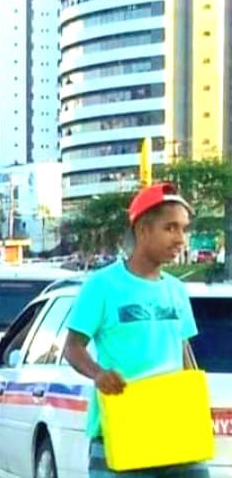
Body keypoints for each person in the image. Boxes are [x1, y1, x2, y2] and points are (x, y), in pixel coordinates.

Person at [63, 183, 208, 477]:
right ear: (142, 230)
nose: (181, 239)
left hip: (177, 435)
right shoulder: (102, 285)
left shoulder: (176, 290)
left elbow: (183, 352)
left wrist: (197, 403)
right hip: (122, 431)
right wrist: (99, 374)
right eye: (171, 228)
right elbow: (73, 347)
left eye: (184, 229)